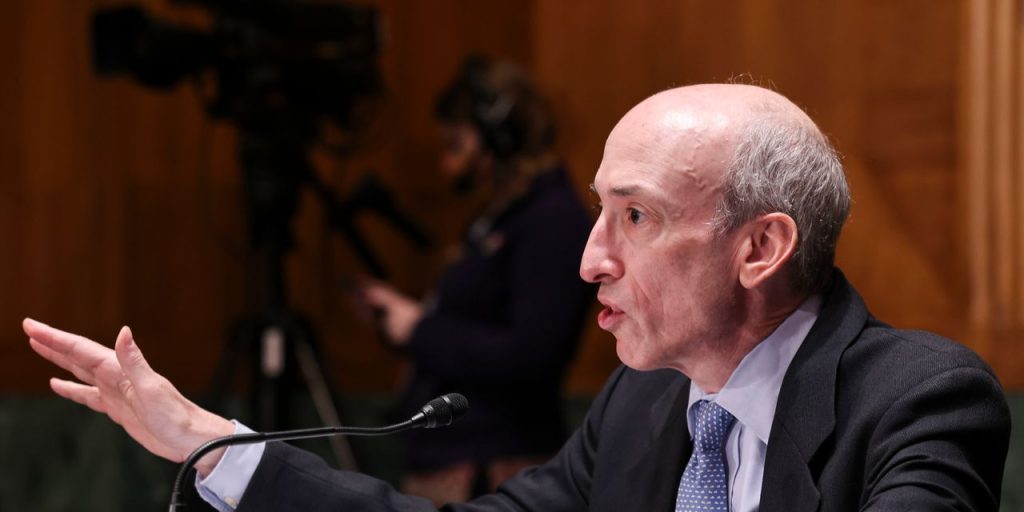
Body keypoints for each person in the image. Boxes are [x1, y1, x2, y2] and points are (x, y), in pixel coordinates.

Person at [25, 83, 1011, 511]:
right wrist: (209, 441)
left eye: (634, 216)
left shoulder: (918, 398)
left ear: (759, 248)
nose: (590, 259)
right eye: (598, 211)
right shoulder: (644, 405)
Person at [353, 56, 594, 504]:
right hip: (455, 455)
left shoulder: (552, 220)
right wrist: (407, 324)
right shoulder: (501, 214)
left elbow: (532, 353)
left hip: (497, 465)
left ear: (499, 137)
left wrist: (419, 329)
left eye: (456, 144)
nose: (448, 165)